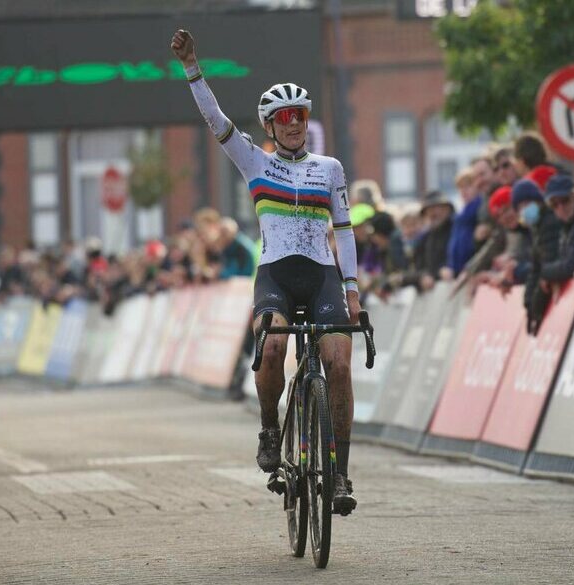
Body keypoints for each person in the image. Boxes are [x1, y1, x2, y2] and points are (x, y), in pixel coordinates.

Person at [173, 30, 359, 514]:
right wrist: (193, 67)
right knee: (273, 344)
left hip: (322, 276)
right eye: (284, 118)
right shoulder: (253, 160)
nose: (294, 124)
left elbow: (345, 230)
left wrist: (353, 290)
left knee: (340, 363)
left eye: (300, 116)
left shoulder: (330, 168)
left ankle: (339, 474)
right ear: (270, 126)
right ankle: (270, 428)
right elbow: (215, 120)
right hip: (275, 272)